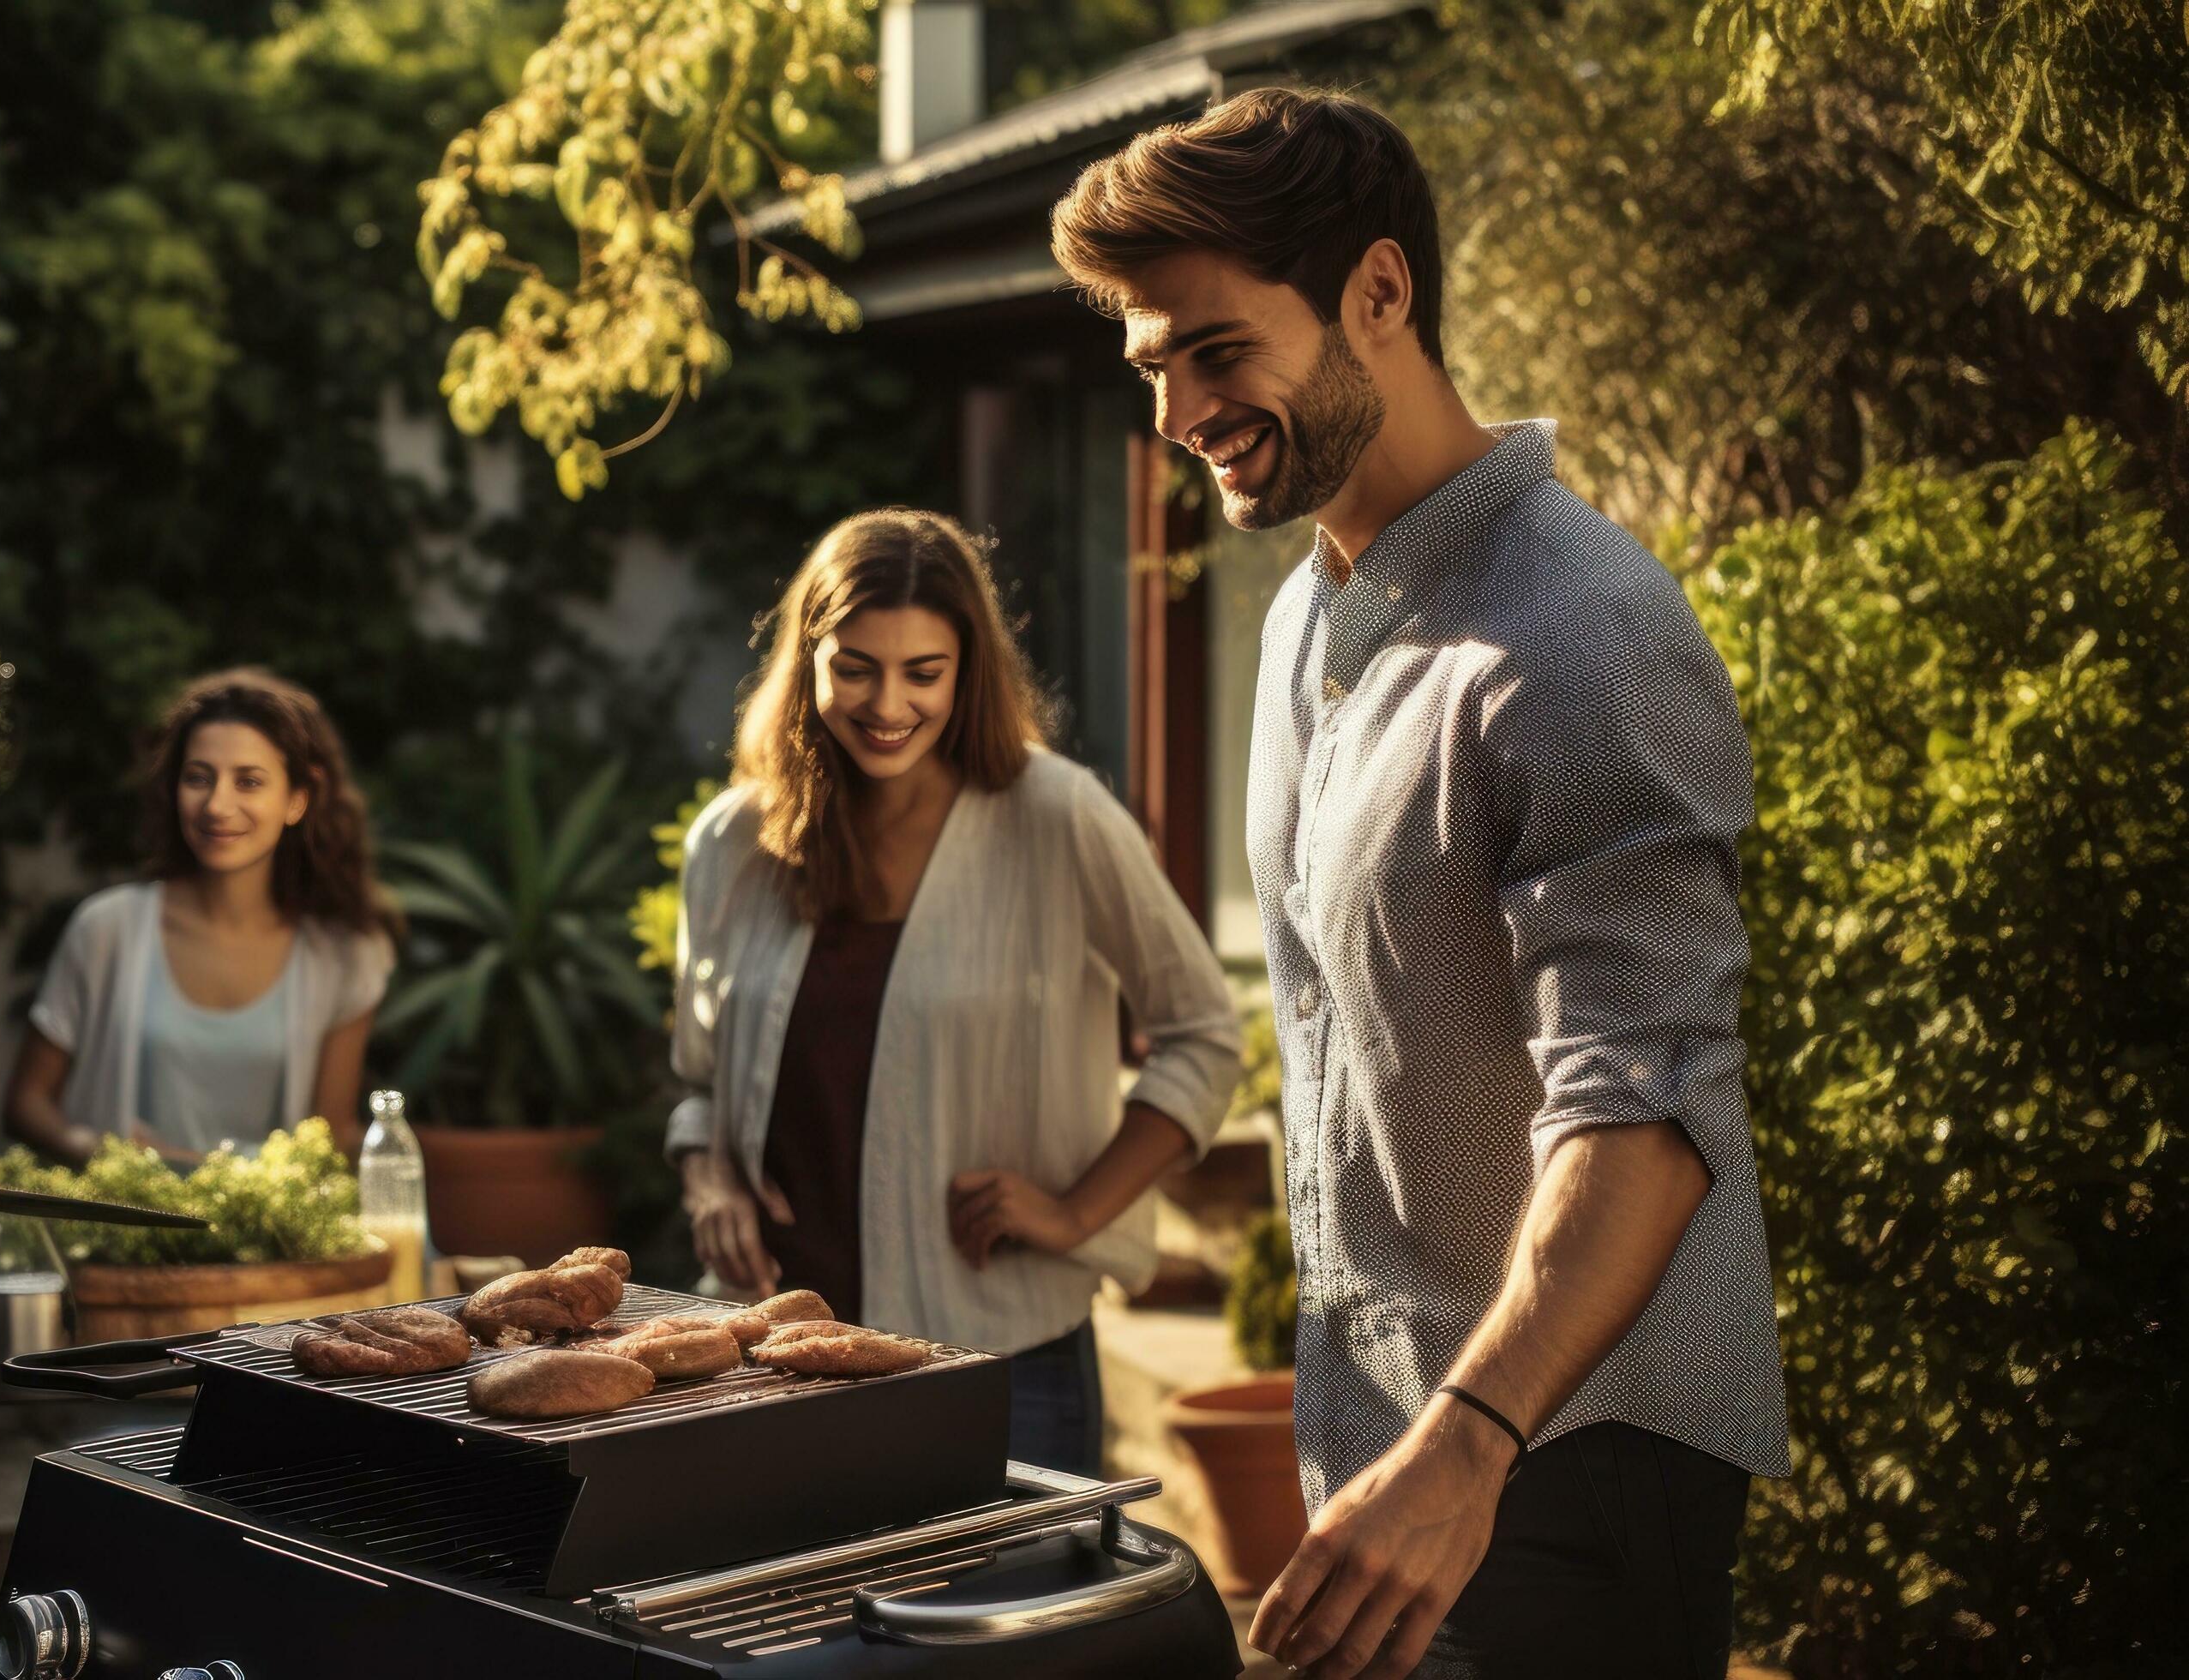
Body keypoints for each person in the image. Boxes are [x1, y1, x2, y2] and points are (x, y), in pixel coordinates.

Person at [1052, 88, 1791, 1678]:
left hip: (1563, 1458)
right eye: (1150, 368)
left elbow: (1647, 1118)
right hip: (1390, 1438)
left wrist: (1464, 1443)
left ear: (1377, 296)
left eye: (1214, 350)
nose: (1177, 411)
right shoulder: (1308, 626)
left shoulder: (1580, 634)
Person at [666, 507, 1244, 1476]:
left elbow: (1201, 1035)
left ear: (966, 670)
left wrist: (1073, 1211)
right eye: (854, 665)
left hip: (1001, 1364)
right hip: (763, 1361)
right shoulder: (731, 844)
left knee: (990, 1627)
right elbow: (693, 1083)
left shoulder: (1056, 819)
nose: (886, 702)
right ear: (806, 663)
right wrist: (708, 1179)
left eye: (921, 672)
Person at [3, 669, 399, 1166]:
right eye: (198, 778)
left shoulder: (345, 955)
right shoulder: (107, 930)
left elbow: (332, 1136)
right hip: (121, 1228)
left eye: (249, 782)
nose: (217, 805)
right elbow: (25, 1104)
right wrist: (90, 1150)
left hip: (264, 1239)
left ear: (297, 799)